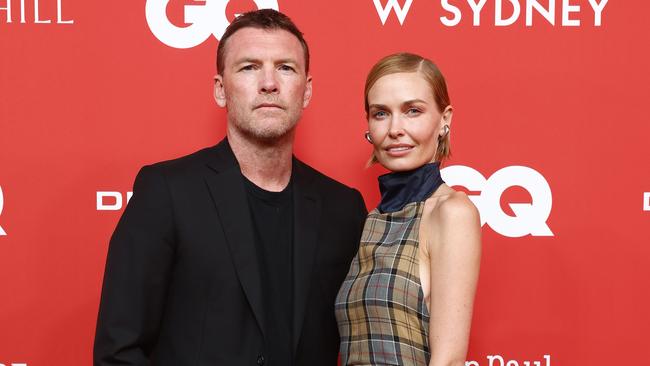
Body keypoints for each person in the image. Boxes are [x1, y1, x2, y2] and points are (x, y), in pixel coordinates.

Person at [94, 9, 367, 366]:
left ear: (307, 91)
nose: (269, 83)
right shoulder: (167, 192)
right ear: (221, 90)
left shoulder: (343, 208)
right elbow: (118, 349)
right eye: (249, 67)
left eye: (285, 67)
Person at [335, 53, 482, 366]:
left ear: (445, 120)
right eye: (381, 114)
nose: (395, 129)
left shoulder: (450, 212)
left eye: (412, 111)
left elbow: (450, 360)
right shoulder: (370, 220)